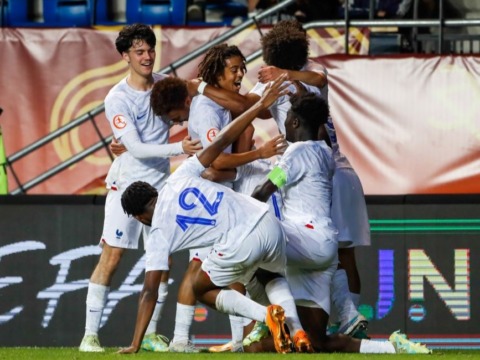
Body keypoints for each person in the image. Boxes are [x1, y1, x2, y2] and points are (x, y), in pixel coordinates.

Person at [117, 74, 313, 355]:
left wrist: (135, 343)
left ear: (138, 217)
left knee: (200, 286)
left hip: (241, 240)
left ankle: (265, 317)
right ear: (154, 192)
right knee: (268, 277)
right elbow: (221, 141)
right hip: (267, 220)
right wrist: (257, 108)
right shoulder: (180, 175)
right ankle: (298, 333)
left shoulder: (157, 233)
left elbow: (149, 291)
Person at [249, 93, 431, 355]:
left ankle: (263, 317)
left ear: (297, 123)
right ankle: (392, 348)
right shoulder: (325, 152)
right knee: (317, 343)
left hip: (302, 238)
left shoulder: (295, 153)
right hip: (324, 252)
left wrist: (238, 207)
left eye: (287, 118)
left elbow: (263, 192)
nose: (284, 123)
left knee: (250, 250)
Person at [78, 23, 202, 353]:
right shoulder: (117, 98)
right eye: (139, 52)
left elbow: (196, 93)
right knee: (113, 256)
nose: (147, 56)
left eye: (150, 50)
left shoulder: (165, 85)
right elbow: (134, 147)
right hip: (127, 185)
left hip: (160, 186)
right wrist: (180, 149)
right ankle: (90, 335)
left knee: (162, 261)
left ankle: (151, 333)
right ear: (125, 57)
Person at [253, 19, 369, 338]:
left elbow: (266, 188)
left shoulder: (292, 155)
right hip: (331, 191)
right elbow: (258, 104)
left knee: (263, 252)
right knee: (339, 256)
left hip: (316, 205)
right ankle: (346, 317)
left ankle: (267, 324)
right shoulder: (317, 149)